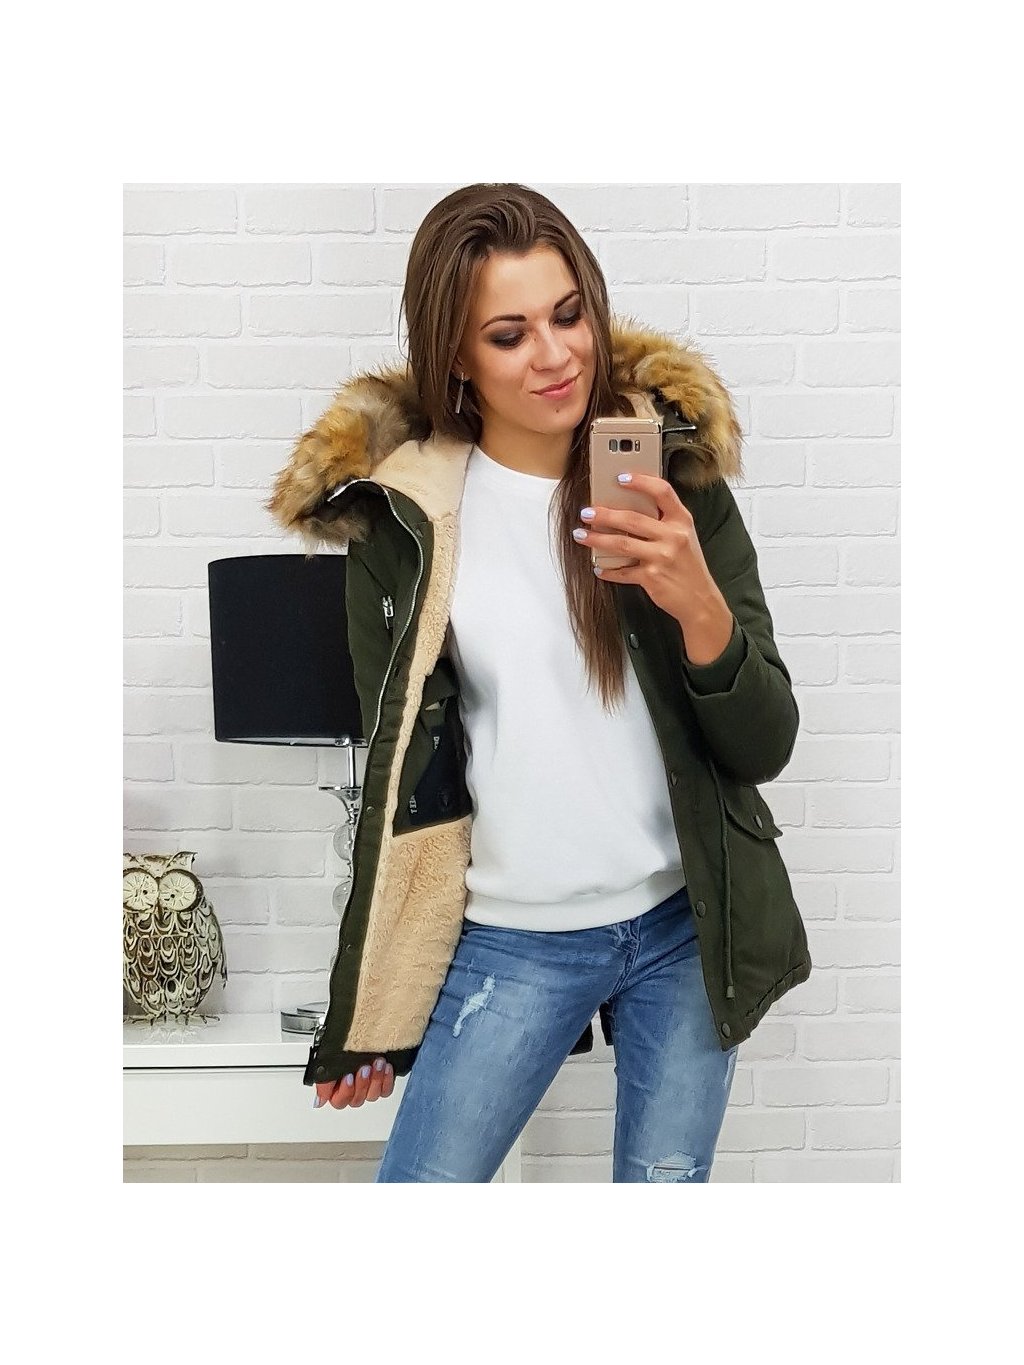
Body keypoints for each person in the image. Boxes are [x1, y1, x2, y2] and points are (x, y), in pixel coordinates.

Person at [268, 182, 811, 1183]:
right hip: (517, 938)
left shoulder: (674, 481)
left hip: (684, 926)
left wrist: (697, 602)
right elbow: (399, 775)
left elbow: (764, 741)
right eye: (509, 334)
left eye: (568, 315)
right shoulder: (405, 521)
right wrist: (371, 1010)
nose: (556, 355)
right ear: (456, 357)